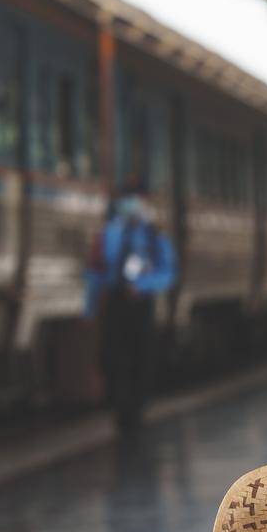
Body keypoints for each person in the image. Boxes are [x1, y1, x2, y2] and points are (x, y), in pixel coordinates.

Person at [84, 177, 178, 431]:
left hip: (140, 303)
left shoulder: (154, 236)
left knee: (141, 358)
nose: (131, 205)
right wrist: (90, 308)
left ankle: (135, 411)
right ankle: (121, 409)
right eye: (127, 199)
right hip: (115, 302)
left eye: (136, 199)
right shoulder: (109, 233)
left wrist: (143, 285)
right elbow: (95, 271)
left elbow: (168, 273)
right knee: (113, 357)